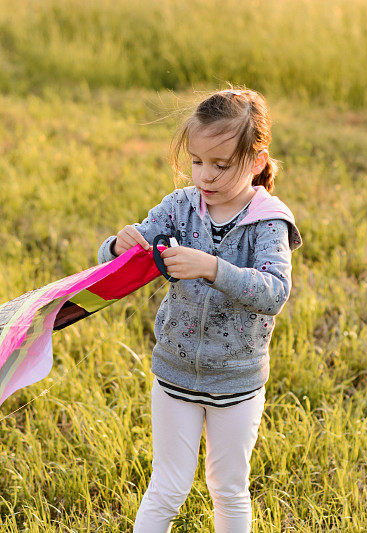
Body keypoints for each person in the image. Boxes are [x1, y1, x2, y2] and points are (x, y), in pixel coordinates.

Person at [96, 87, 302, 533]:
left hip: (237, 380)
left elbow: (274, 291)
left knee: (228, 488)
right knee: (168, 486)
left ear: (258, 160)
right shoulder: (181, 207)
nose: (205, 176)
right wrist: (118, 245)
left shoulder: (268, 221)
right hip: (175, 372)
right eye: (197, 161)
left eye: (221, 164)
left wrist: (212, 269)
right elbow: (113, 262)